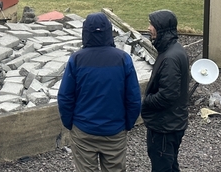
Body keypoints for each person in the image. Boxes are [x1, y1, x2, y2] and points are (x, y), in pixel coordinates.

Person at [58, 12, 142, 172]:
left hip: (83, 130)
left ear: (85, 32)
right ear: (109, 31)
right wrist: (127, 124)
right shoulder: (123, 59)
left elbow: (65, 97)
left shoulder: (76, 59)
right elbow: (134, 98)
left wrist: (70, 124)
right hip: (115, 131)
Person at [141, 9, 189, 172]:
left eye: (152, 25)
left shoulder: (170, 58)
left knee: (162, 166)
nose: (148, 28)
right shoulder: (174, 50)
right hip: (172, 123)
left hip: (165, 127)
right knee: (170, 165)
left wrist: (145, 101)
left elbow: (168, 95)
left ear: (161, 28)